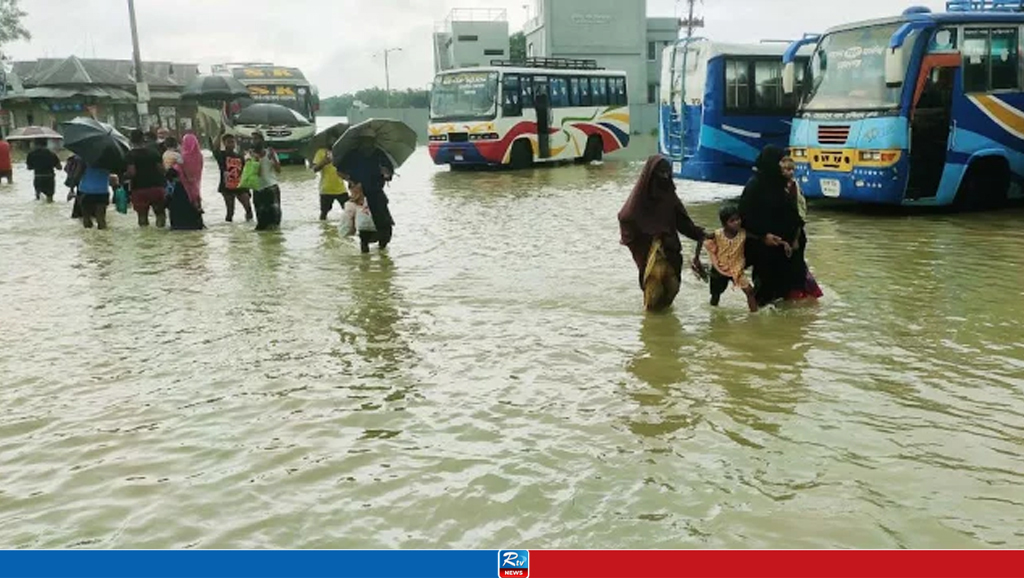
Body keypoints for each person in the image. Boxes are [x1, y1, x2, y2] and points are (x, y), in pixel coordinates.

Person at [618, 155, 710, 312]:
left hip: (670, 251)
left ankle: (665, 329)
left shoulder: (669, 196)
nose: (665, 177)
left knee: (671, 291)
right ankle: (653, 331)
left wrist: (700, 234)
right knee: (652, 300)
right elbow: (625, 217)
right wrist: (649, 236)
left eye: (667, 173)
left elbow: (683, 222)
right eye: (661, 173)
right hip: (651, 254)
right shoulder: (640, 200)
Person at [739, 145, 811, 306]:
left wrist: (796, 238)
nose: (782, 166)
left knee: (789, 296)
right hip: (767, 252)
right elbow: (743, 218)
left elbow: (795, 213)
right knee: (766, 296)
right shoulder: (755, 186)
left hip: (789, 250)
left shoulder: (783, 185)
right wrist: (763, 237)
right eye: (780, 161)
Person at [700, 203, 778, 313]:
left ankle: (754, 316)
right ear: (724, 224)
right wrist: (696, 258)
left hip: (737, 270)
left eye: (738, 219)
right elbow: (702, 238)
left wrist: (768, 238)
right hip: (720, 270)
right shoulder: (717, 234)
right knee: (715, 295)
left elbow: (759, 237)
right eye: (732, 221)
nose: (737, 222)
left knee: (749, 292)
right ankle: (713, 315)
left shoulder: (743, 233)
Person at [335, 143, 394, 251]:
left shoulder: (379, 153)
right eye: (365, 141)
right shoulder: (352, 154)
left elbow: (389, 172)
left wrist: (387, 174)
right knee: (364, 230)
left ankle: (382, 251)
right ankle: (365, 258)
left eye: (370, 141)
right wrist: (350, 180)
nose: (368, 145)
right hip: (360, 195)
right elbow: (339, 171)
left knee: (385, 227)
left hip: (377, 193)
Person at [781, 156, 823, 301]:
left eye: (792, 169)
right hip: (783, 234)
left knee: (797, 265)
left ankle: (800, 294)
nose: (789, 172)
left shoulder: (794, 186)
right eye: (786, 169)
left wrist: (796, 237)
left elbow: (801, 211)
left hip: (796, 233)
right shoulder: (777, 187)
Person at [125, 129, 167, 227]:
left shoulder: (130, 155)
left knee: (142, 217)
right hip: (157, 187)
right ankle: (162, 238)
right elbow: (162, 170)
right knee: (160, 214)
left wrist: (124, 176)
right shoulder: (154, 152)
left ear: (131, 140)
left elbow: (132, 172)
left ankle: (146, 239)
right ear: (143, 139)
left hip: (139, 189)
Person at [214, 134, 253, 222]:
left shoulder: (239, 156)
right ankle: (229, 231)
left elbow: (244, 172)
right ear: (224, 143)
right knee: (230, 212)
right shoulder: (221, 155)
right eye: (229, 142)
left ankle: (250, 227)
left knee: (248, 208)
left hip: (240, 185)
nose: (231, 144)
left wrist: (247, 188)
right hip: (226, 186)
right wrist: (219, 133)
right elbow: (215, 147)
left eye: (233, 142)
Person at [250, 138, 282, 231]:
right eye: (258, 152)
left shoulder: (271, 153)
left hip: (272, 187)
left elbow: (279, 170)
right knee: (261, 220)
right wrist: (257, 161)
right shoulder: (250, 157)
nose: (260, 154)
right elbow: (257, 173)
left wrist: (273, 159)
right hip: (258, 189)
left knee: (275, 218)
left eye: (261, 151)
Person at [77, 163, 118, 230]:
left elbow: (78, 174)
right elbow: (114, 176)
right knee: (101, 218)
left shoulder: (85, 160)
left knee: (86, 218)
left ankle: (89, 238)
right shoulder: (108, 161)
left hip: (86, 191)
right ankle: (102, 238)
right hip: (102, 191)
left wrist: (71, 188)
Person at [312, 147, 349, 220]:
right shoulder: (321, 152)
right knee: (324, 213)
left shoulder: (341, 151)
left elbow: (347, 169)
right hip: (326, 189)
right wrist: (323, 162)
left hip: (341, 189)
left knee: (349, 210)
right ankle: (325, 229)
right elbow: (314, 169)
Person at [179, 133, 204, 211]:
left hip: (185, 182)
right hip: (196, 180)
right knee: (196, 195)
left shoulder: (183, 156)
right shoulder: (200, 155)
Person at [64, 154, 85, 219]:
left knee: (81, 216)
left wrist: (71, 189)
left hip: (82, 189)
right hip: (101, 190)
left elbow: (74, 174)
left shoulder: (77, 158)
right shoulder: (99, 157)